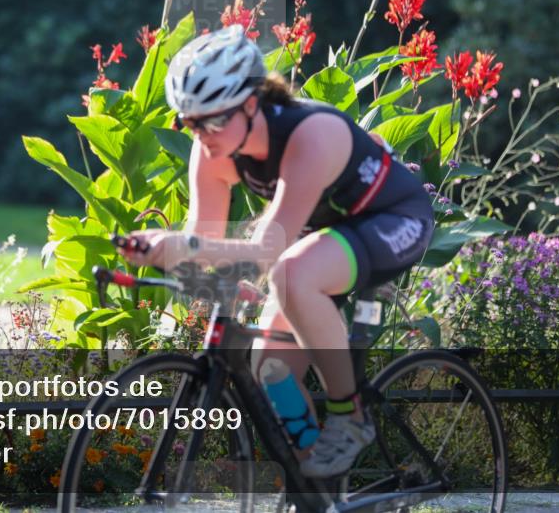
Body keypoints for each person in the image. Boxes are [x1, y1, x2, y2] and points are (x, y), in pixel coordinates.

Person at [116, 24, 434, 479]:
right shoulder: (212, 151)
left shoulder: (311, 134)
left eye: (214, 119)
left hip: (393, 219)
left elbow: (270, 250)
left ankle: (351, 415)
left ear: (251, 104)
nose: (202, 134)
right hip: (324, 238)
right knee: (270, 368)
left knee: (290, 273)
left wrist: (182, 247)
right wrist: (158, 250)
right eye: (190, 122)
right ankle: (317, 485)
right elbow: (203, 241)